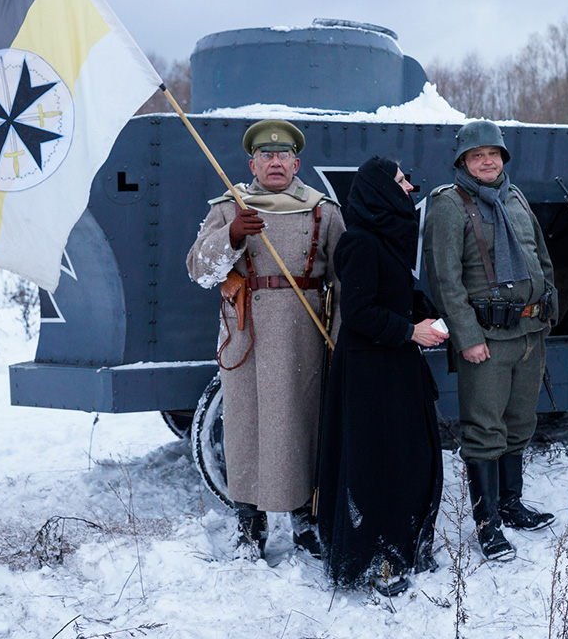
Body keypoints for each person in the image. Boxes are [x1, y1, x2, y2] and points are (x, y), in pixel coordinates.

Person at [186, 119, 343, 561]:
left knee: (303, 426)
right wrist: (232, 234)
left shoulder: (323, 211)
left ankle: (305, 520)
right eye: (266, 156)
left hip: (304, 338)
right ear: (251, 163)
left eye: (283, 155)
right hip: (247, 336)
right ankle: (249, 524)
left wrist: (339, 339)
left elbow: (342, 279)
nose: (275, 163)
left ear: (297, 162)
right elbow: (199, 270)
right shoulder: (228, 207)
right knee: (246, 429)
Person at [423, 120, 558, 562]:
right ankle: (487, 523)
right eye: (477, 155)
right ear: (463, 161)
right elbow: (445, 279)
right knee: (484, 430)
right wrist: (466, 336)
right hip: (486, 338)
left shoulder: (515, 198)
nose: (487, 161)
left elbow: (541, 256)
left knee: (520, 423)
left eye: (494, 154)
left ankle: (511, 503)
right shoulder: (449, 204)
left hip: (529, 332)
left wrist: (547, 308)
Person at [317, 157, 446, 596]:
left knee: (411, 458)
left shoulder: (388, 238)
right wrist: (411, 330)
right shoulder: (359, 242)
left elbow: (392, 294)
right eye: (400, 180)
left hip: (397, 366)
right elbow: (359, 313)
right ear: (379, 190)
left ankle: (405, 546)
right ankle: (376, 559)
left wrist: (422, 312)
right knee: (378, 466)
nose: (409, 186)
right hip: (371, 374)